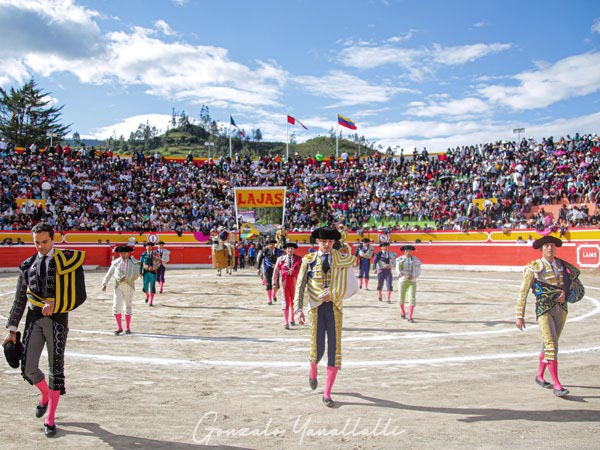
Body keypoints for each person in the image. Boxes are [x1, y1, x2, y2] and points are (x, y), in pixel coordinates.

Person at [2, 222, 86, 437]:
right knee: (28, 367)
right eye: (37, 243)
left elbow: (79, 295)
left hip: (57, 320)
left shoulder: (68, 261)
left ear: (53, 238)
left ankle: (50, 418)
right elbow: (20, 299)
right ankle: (45, 395)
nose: (41, 247)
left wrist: (55, 304)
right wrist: (12, 328)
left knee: (55, 369)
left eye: (45, 242)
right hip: (34, 319)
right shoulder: (28, 264)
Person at [515, 235, 585, 397]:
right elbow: (523, 293)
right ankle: (557, 385)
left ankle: (540, 375)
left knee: (548, 344)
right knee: (552, 345)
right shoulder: (533, 267)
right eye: (546, 246)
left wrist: (566, 295)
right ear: (541, 249)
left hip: (562, 308)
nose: (550, 248)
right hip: (544, 309)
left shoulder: (563, 266)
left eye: (552, 245)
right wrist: (520, 315)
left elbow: (575, 286)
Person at [294, 227, 356, 407]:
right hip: (316, 308)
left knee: (335, 350)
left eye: (330, 242)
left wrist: (335, 293)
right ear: (318, 243)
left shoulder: (341, 259)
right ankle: (313, 371)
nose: (327, 245)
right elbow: (300, 286)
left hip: (335, 308)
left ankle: (327, 393)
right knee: (317, 347)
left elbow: (350, 283)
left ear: (334, 242)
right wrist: (298, 309)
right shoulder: (309, 260)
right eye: (323, 241)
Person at [101, 245, 140, 335]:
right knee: (116, 306)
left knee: (128, 306)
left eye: (124, 253)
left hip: (129, 286)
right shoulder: (116, 262)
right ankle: (119, 327)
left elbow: (136, 274)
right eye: (121, 253)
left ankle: (128, 327)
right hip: (118, 286)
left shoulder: (135, 262)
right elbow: (109, 273)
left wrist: (126, 279)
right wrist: (104, 283)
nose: (123, 254)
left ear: (128, 253)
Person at [272, 242, 302, 329]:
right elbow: (276, 272)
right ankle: (286, 321)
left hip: (294, 282)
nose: (290, 250)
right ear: (286, 250)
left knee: (293, 301)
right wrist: (274, 283)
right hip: (284, 282)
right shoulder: (281, 259)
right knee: (285, 301)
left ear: (294, 250)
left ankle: (292, 318)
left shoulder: (299, 259)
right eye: (288, 248)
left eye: (292, 248)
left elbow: (303, 271)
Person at [395, 245, 422, 322]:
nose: (408, 252)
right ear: (404, 251)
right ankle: (403, 312)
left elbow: (418, 270)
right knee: (401, 297)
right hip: (402, 280)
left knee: (412, 298)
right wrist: (399, 273)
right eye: (407, 251)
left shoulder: (415, 260)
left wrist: (413, 276)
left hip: (412, 280)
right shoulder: (399, 259)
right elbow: (397, 268)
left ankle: (410, 316)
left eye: (409, 251)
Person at [257, 239, 282, 304]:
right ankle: (270, 300)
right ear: (267, 245)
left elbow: (281, 259)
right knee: (268, 284)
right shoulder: (264, 251)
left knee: (277, 284)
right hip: (267, 269)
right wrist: (258, 268)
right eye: (270, 244)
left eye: (273, 244)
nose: (271, 246)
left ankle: (273, 295)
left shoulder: (278, 251)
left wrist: (277, 265)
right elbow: (260, 259)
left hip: (276, 269)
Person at [139, 242, 161, 306]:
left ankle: (151, 301)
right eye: (147, 246)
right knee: (145, 287)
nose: (148, 247)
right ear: (146, 247)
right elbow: (141, 264)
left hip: (153, 273)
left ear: (152, 247)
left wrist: (155, 267)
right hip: (145, 273)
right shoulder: (143, 254)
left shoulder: (156, 254)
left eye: (150, 246)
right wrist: (140, 272)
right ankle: (147, 295)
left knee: (152, 287)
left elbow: (159, 262)